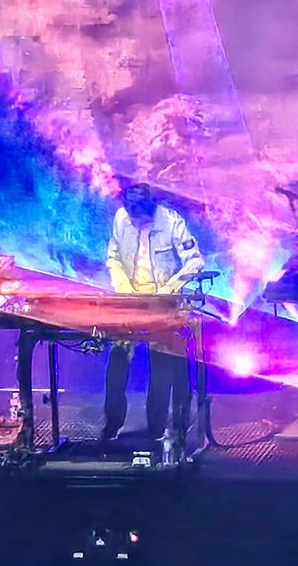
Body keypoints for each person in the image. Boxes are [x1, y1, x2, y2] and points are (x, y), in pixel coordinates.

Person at [103, 183, 205, 443]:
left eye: (140, 219)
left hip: (164, 301)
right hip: (130, 300)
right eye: (133, 219)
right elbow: (113, 258)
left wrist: (169, 289)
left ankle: (156, 430)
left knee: (161, 363)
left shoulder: (171, 222)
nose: (136, 223)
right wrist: (124, 288)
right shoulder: (121, 219)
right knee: (118, 358)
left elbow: (195, 261)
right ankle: (112, 423)